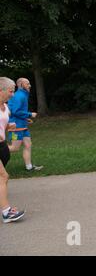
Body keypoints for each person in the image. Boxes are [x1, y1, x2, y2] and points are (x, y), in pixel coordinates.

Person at [0, 77, 25, 223]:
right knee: (3, 176)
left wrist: (10, 127)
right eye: (10, 91)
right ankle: (6, 213)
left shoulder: (5, 107)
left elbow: (4, 125)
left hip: (2, 147)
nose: (13, 95)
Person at [7, 78, 43, 172]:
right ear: (21, 85)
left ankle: (29, 167)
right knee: (15, 148)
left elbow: (17, 111)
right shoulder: (19, 96)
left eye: (29, 83)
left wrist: (25, 118)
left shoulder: (23, 95)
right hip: (16, 126)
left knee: (28, 144)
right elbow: (15, 111)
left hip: (22, 125)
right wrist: (30, 114)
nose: (30, 85)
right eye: (27, 83)